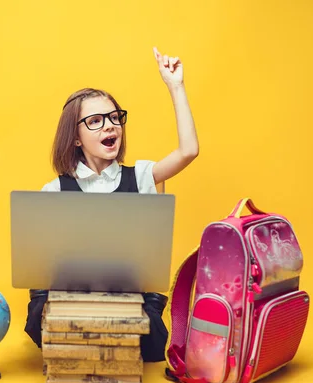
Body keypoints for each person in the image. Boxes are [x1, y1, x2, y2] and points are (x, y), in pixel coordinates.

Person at [24, 47, 199, 363]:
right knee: (57, 324)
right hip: (72, 300)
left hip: (130, 302)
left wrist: (176, 86)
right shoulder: (54, 191)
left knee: (139, 333)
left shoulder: (143, 176)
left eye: (115, 118)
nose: (110, 126)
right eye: (95, 121)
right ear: (75, 137)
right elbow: (41, 266)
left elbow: (188, 151)